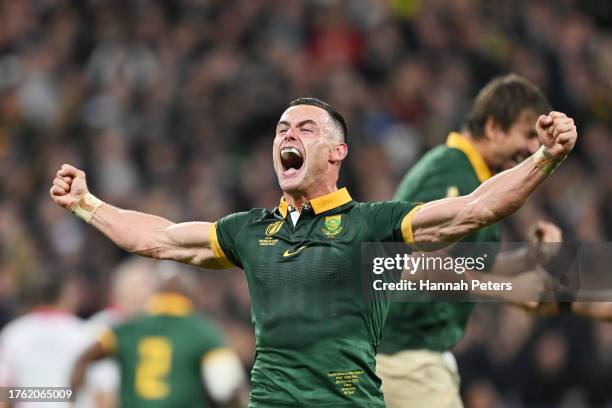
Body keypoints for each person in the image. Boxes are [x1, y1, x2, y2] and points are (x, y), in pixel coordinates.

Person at [50, 97, 577, 407]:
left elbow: (474, 209)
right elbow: (159, 238)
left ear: (337, 152)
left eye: (305, 128)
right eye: (282, 129)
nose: (288, 135)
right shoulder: (247, 231)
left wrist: (545, 159)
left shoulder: (372, 223)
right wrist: (87, 204)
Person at [377, 74, 565, 408]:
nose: (531, 149)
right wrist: (508, 291)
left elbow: (464, 269)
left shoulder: (472, 178)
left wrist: (528, 259)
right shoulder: (452, 173)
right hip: (402, 357)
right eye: (526, 135)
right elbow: (420, 268)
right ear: (493, 127)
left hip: (412, 355)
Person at [71, 267, 246, 408]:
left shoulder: (127, 329)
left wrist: (70, 402)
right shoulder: (204, 332)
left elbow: (82, 360)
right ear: (193, 293)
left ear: (155, 292)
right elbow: (227, 388)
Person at [76, 257, 161, 408]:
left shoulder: (161, 329)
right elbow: (104, 395)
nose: (138, 295)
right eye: (133, 288)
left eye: (146, 288)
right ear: (116, 292)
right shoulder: (101, 328)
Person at [0, 270, 90, 408]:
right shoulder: (84, 333)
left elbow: (3, 394)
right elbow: (102, 392)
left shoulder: (13, 334)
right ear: (66, 296)